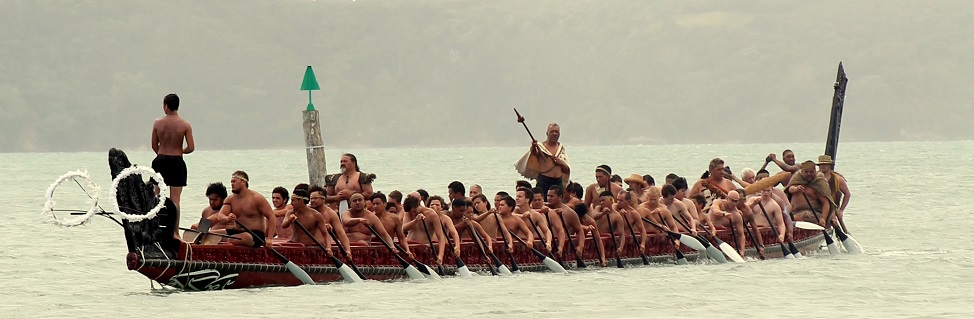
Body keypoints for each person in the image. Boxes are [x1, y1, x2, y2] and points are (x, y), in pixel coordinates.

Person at [151, 93, 195, 240]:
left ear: (166, 106)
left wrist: (162, 154)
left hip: (160, 160)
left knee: (156, 195)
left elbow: (153, 145)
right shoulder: (185, 125)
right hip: (177, 161)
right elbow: (191, 147)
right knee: (175, 199)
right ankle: (175, 232)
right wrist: (179, 151)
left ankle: (153, 226)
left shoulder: (158, 123)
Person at [207, 171, 275, 248]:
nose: (232, 184)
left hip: (255, 234)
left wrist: (269, 238)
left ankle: (224, 240)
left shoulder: (257, 198)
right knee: (208, 234)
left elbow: (271, 217)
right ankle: (223, 239)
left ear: (243, 182)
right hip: (236, 231)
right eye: (231, 182)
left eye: (234, 181)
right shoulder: (230, 199)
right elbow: (221, 216)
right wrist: (227, 218)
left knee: (242, 238)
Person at [515, 122, 571, 195]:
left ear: (559, 134)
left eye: (556, 132)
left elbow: (566, 170)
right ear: (547, 134)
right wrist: (533, 147)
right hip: (544, 181)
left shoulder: (561, 149)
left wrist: (561, 163)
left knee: (557, 204)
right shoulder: (541, 147)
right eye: (552, 132)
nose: (554, 134)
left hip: (558, 182)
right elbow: (534, 154)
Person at [541, 184, 591, 262]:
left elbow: (579, 230)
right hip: (547, 245)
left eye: (552, 196)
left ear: (560, 197)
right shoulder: (543, 209)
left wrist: (580, 246)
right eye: (548, 196)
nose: (549, 198)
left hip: (561, 247)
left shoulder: (570, 213)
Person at [281, 185, 334, 253]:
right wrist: (289, 220)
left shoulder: (316, 215)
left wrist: (328, 248)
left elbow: (325, 234)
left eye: (293, 201)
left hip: (307, 248)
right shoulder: (290, 212)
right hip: (293, 244)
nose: (291, 203)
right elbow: (284, 225)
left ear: (301, 201)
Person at [309, 185, 353, 259]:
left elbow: (341, 233)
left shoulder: (330, 213)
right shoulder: (307, 212)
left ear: (323, 199)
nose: (312, 200)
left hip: (325, 248)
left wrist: (348, 250)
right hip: (308, 247)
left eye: (315, 198)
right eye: (311, 198)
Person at [402, 196, 448, 265]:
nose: (413, 214)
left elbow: (441, 237)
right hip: (410, 248)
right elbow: (404, 228)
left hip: (423, 249)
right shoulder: (408, 212)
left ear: (419, 204)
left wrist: (440, 256)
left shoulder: (432, 215)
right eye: (412, 212)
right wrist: (416, 220)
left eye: (414, 211)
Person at [786, 161, 833, 227]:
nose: (809, 174)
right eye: (806, 172)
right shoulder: (798, 177)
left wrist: (823, 219)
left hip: (812, 213)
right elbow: (790, 189)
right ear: (802, 171)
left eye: (811, 172)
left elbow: (826, 203)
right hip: (793, 212)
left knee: (799, 217)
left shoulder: (819, 183)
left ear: (815, 171)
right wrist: (796, 189)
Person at [818, 155, 852, 233]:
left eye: (825, 164)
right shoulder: (815, 178)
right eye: (821, 164)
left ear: (829, 165)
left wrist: (841, 211)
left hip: (832, 207)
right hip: (819, 206)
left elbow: (847, 194)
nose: (822, 166)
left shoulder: (838, 179)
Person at [708, 189, 748, 255]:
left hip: (722, 238)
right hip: (709, 231)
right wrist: (724, 214)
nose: (734, 203)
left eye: (736, 201)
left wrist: (742, 251)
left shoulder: (737, 215)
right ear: (727, 198)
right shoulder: (718, 202)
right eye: (732, 201)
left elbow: (741, 235)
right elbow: (715, 211)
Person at [513, 187, 553, 253]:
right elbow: (511, 215)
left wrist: (548, 243)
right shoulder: (512, 213)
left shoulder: (535, 215)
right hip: (514, 248)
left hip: (528, 248)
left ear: (527, 200)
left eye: (520, 197)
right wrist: (522, 216)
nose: (516, 198)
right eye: (516, 196)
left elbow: (546, 231)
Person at [592, 191, 628, 256]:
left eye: (603, 200)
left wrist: (620, 248)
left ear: (611, 200)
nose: (601, 203)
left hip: (606, 243)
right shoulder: (598, 208)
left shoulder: (617, 216)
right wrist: (603, 213)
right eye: (600, 201)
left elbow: (622, 234)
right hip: (596, 239)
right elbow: (595, 216)